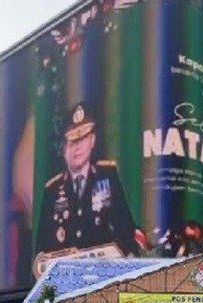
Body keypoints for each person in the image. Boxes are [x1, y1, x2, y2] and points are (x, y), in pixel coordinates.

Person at [35, 102, 139, 259]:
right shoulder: (52, 190)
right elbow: (42, 252)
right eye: (72, 142)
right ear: (64, 149)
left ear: (92, 140)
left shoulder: (108, 176)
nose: (77, 147)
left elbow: (126, 231)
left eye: (83, 138)